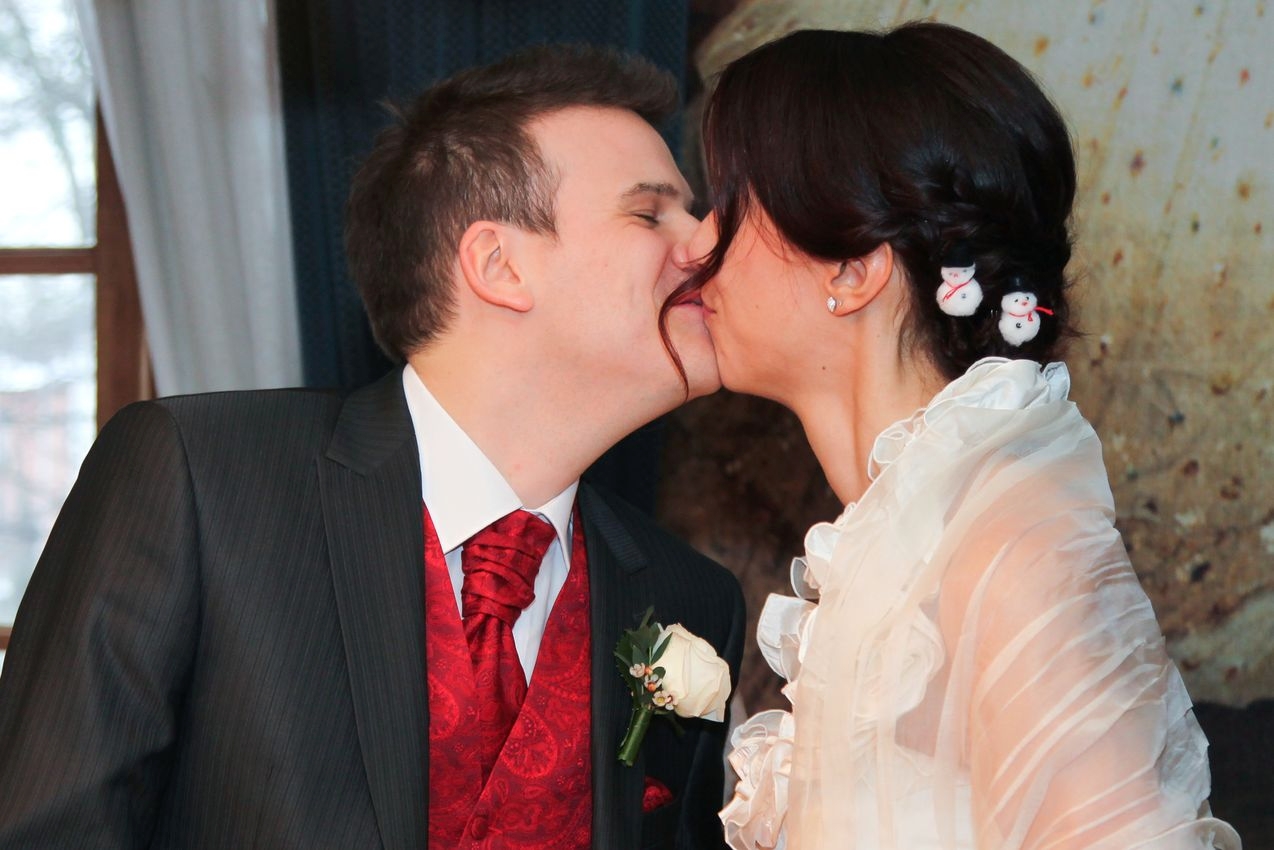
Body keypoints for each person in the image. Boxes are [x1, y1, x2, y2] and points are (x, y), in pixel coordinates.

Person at [0, 45, 744, 850]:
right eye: (650, 213)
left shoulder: (692, 599)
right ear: (499, 266)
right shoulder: (199, 481)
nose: (706, 243)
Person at [668, 23, 1240, 850]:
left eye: (730, 204)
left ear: (853, 271)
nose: (695, 243)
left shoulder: (1013, 550)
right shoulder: (900, 541)